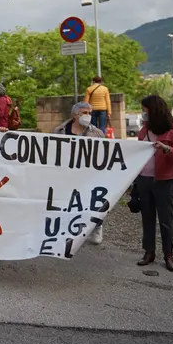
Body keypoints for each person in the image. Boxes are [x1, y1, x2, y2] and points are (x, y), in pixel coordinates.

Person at [136, 95, 173, 272]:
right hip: (144, 180)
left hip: (165, 181)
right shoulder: (144, 130)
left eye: (145, 110)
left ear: (154, 111)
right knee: (147, 218)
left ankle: (169, 255)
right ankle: (149, 252)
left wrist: (166, 149)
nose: (143, 113)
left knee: (166, 220)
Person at [52, 102, 105, 244]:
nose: (88, 116)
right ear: (75, 115)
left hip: (89, 174)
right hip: (67, 173)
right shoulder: (59, 131)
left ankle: (96, 227)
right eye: (84, 112)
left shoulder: (97, 133)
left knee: (92, 201)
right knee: (68, 201)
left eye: (90, 113)